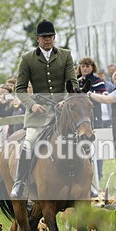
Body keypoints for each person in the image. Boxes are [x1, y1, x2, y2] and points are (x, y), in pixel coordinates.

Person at [10, 20, 79, 199]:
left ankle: (91, 184)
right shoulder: (27, 58)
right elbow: (20, 89)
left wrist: (66, 100)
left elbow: (72, 82)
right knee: (29, 141)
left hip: (62, 112)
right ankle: (20, 181)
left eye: (50, 36)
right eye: (44, 37)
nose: (48, 40)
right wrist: (32, 104)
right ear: (37, 39)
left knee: (81, 140)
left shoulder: (65, 55)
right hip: (38, 113)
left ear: (54, 37)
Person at [78, 57, 110, 180]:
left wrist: (89, 94)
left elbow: (104, 96)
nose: (85, 68)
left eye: (87, 66)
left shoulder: (98, 81)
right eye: (83, 66)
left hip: (94, 119)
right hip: (78, 122)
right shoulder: (76, 81)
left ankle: (98, 176)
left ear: (92, 68)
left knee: (97, 150)